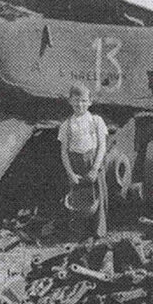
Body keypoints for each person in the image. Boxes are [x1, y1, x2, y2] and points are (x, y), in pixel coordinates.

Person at [59, 83, 108, 239]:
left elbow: (102, 146)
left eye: (83, 101)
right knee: (78, 198)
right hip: (75, 163)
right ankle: (80, 233)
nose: (80, 104)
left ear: (90, 102)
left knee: (97, 195)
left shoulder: (96, 121)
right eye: (76, 101)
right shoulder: (66, 125)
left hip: (93, 161)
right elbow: (64, 152)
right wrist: (71, 173)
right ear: (70, 101)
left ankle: (99, 232)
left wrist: (95, 169)